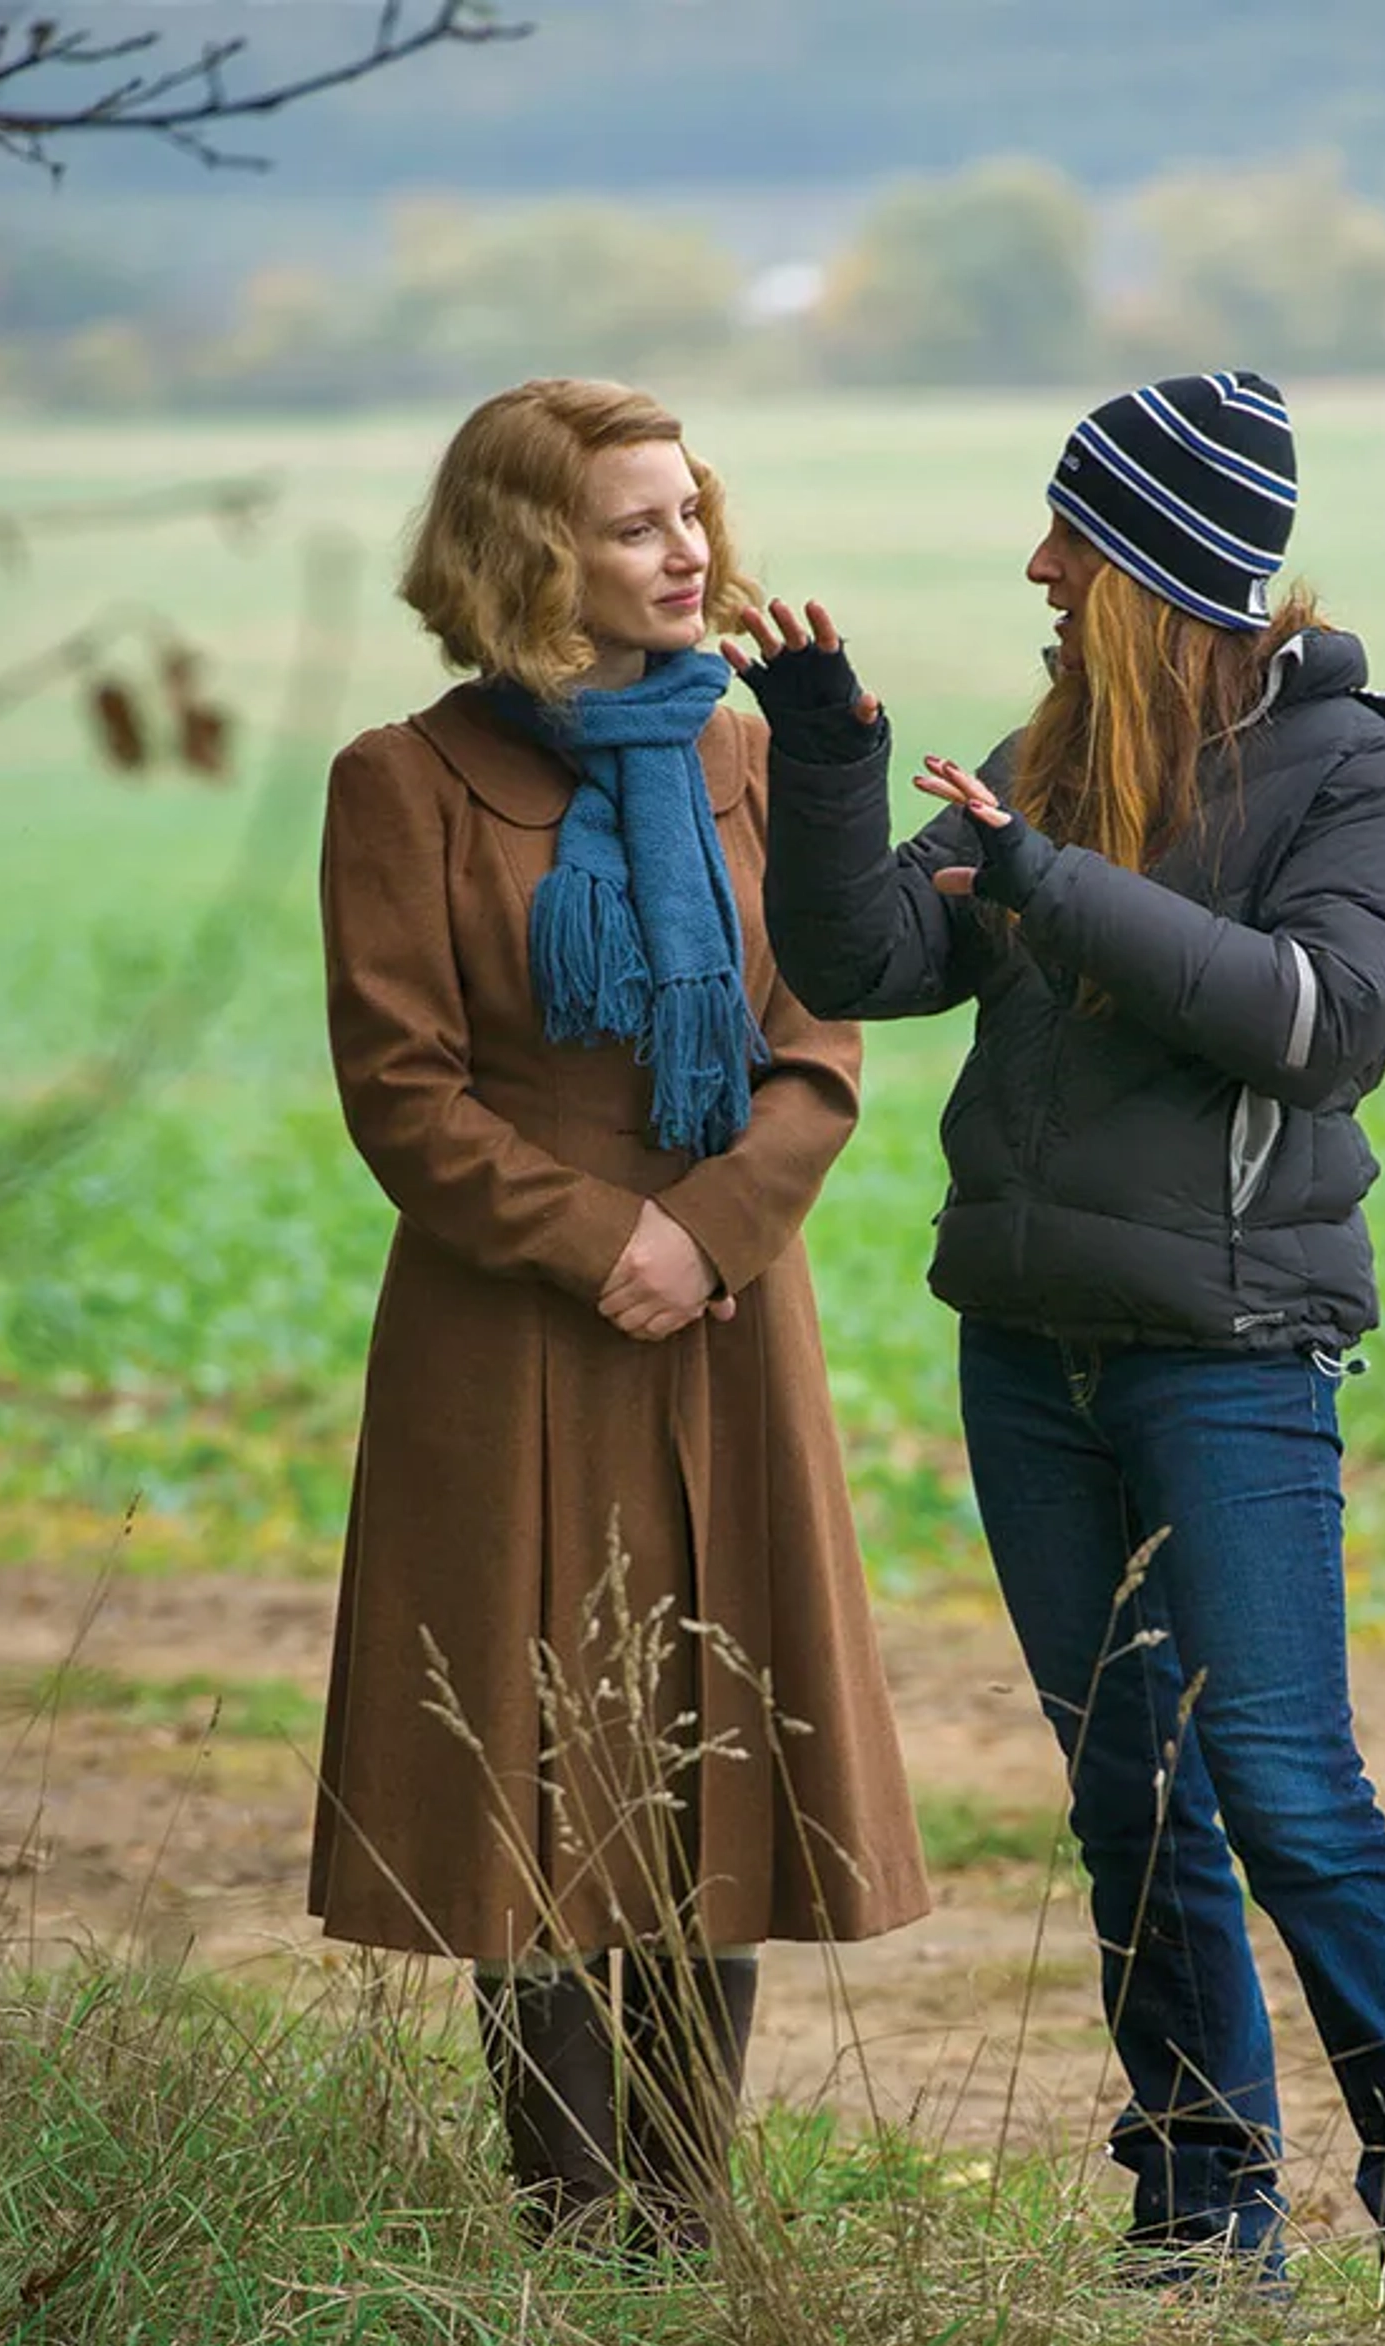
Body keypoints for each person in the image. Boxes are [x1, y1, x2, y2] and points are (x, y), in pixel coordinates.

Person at [732, 369, 1385, 2294]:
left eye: (1072, 539)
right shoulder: (1068, 745)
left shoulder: (1367, 779)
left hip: (1232, 1354)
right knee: (1128, 1796)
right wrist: (833, 759)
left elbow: (1317, 1022)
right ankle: (1198, 2218)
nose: (1038, 565)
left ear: (1168, 570)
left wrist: (1041, 875)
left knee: (1280, 1780)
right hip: (1029, 1349)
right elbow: (869, 962)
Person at [310, 377, 929, 2251]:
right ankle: (575, 2231)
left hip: (733, 1316)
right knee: (543, 1764)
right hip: (515, 1336)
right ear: (529, 556)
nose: (690, 553)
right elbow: (403, 1092)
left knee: (713, 1753)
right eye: (638, 522)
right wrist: (609, 1243)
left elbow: (819, 1031)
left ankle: (688, 2220)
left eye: (692, 513)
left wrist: (715, 1231)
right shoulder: (402, 782)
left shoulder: (746, 754)